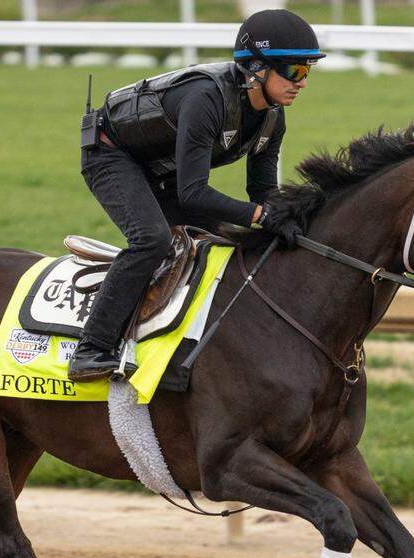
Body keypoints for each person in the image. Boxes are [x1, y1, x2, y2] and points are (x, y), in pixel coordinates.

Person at [68, 9, 322, 382]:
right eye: (294, 71)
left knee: (231, 241)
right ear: (256, 68)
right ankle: (92, 348)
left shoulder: (273, 117)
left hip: (162, 168)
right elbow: (193, 194)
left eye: (307, 71)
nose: (302, 82)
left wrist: (284, 218)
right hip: (111, 155)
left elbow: (262, 191)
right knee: (152, 240)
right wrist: (260, 216)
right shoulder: (206, 100)